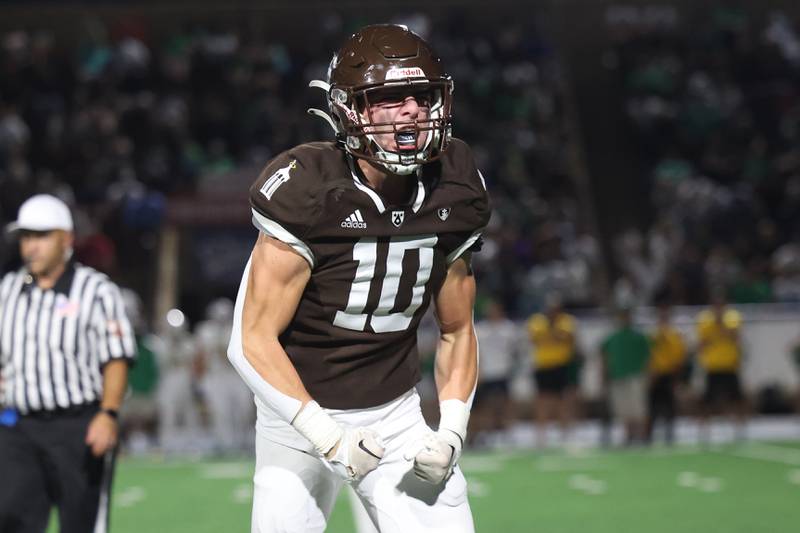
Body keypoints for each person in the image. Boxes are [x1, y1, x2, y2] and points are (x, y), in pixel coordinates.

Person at [226, 24, 489, 532]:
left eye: (422, 96)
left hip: (394, 413)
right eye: (391, 99)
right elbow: (250, 340)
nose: (412, 110)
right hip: (296, 418)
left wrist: (452, 430)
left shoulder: (455, 185)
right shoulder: (308, 188)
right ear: (352, 110)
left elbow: (457, 330)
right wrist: (327, 436)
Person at [0, 194, 136, 532]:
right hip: (18, 427)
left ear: (67, 239)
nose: (31, 246)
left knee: (81, 522)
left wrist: (108, 414)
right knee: (12, 518)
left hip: (78, 425)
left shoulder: (96, 290)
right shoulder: (8, 290)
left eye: (42, 236)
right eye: (27, 237)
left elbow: (116, 357)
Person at [196, 297, 254, 454]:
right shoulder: (205, 331)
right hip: (216, 376)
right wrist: (200, 381)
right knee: (221, 412)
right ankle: (225, 444)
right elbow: (200, 357)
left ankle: (244, 442)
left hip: (236, 375)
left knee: (244, 409)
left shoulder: (239, 327)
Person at [696, 291, 748, 442]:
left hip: (730, 365)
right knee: (707, 401)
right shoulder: (704, 320)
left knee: (736, 399)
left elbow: (736, 336)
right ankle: (704, 431)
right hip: (712, 366)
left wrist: (721, 327)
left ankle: (740, 429)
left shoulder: (733, 317)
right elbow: (701, 344)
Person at [526, 293, 577, 447]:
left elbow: (568, 337)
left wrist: (551, 334)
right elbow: (534, 339)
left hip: (561, 366)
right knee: (543, 401)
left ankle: (565, 433)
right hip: (543, 366)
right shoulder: (537, 321)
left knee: (563, 401)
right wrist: (554, 334)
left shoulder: (566, 321)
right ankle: (542, 436)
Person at [471, 300, 521, 446]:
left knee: (504, 405)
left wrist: (512, 367)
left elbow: (516, 351)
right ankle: (485, 433)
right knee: (484, 407)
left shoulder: (508, 328)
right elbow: (476, 352)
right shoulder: (480, 329)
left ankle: (506, 434)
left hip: (503, 372)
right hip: (485, 374)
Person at [152, 308, 201, 454]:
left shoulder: (188, 343)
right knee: (168, 413)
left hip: (184, 379)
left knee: (189, 413)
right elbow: (162, 363)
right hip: (168, 380)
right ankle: (166, 444)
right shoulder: (159, 343)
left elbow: (192, 363)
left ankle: (192, 443)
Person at [600, 307, 651, 445]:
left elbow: (648, 359)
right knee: (624, 410)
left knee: (639, 409)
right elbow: (605, 358)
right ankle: (629, 436)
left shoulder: (639, 336)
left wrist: (648, 376)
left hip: (635, 376)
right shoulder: (612, 337)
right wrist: (604, 377)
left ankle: (643, 437)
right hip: (617, 376)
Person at [646, 303, 686, 444]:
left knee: (669, 406)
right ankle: (648, 436)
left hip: (669, 373)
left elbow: (680, 356)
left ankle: (670, 435)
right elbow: (647, 355)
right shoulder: (651, 334)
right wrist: (649, 374)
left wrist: (677, 377)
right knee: (652, 407)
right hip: (654, 374)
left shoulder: (675, 334)